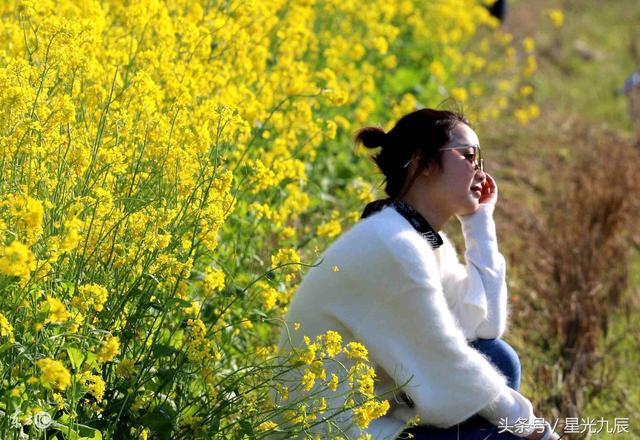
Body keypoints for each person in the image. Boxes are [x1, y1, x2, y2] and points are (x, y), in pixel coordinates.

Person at [274, 108, 560, 439]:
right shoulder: (393, 246)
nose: (480, 172)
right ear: (422, 163)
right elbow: (447, 361)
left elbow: (483, 328)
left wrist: (479, 220)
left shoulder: (416, 237)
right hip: (330, 432)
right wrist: (536, 430)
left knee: (498, 359)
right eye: (469, 156)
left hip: (376, 418)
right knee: (504, 434)